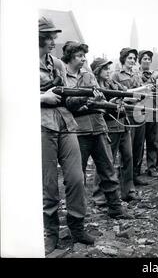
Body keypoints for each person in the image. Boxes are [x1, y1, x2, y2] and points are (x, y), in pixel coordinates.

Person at [39, 17, 94, 255]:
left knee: (76, 178)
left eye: (53, 36)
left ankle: (77, 226)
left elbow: (67, 101)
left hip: (66, 124)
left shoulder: (58, 65)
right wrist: (41, 98)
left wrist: (84, 96)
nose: (53, 41)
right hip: (42, 126)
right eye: (49, 37)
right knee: (49, 185)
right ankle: (51, 233)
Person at [62, 41, 129, 219]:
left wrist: (104, 103)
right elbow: (68, 104)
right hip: (78, 132)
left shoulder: (88, 75)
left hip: (98, 127)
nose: (83, 59)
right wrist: (88, 101)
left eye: (84, 56)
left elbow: (96, 98)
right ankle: (78, 216)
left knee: (108, 170)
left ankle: (116, 209)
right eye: (79, 56)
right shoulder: (62, 76)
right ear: (70, 57)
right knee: (78, 176)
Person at [90, 57, 139, 203]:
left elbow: (125, 92)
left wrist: (125, 99)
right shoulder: (95, 87)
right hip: (108, 126)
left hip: (123, 123)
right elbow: (96, 107)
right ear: (97, 71)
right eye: (105, 69)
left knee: (128, 158)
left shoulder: (112, 83)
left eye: (109, 69)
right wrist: (110, 103)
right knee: (105, 161)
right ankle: (100, 196)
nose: (108, 71)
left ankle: (128, 191)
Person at [111, 48, 149, 186]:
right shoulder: (116, 75)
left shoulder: (136, 74)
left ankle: (135, 175)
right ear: (123, 59)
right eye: (130, 58)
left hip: (139, 112)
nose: (132, 61)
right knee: (127, 148)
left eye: (134, 58)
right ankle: (125, 178)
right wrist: (128, 99)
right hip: (126, 114)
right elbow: (115, 96)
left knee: (139, 145)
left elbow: (142, 90)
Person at [137, 50, 158, 177]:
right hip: (139, 110)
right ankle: (136, 169)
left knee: (153, 140)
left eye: (149, 59)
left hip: (153, 109)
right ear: (139, 60)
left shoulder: (156, 74)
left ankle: (152, 167)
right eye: (144, 58)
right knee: (139, 142)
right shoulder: (135, 73)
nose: (146, 61)